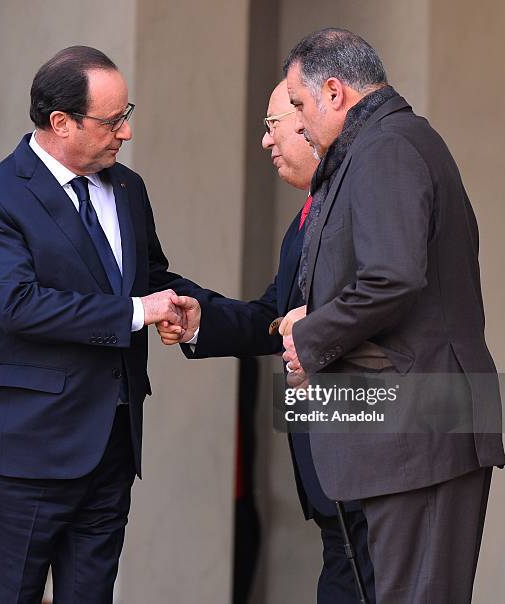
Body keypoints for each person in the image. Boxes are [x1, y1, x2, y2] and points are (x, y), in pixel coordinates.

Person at [0, 46, 209, 603]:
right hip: (26, 451)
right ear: (60, 122)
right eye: (112, 120)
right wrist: (135, 313)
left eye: (127, 115)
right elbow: (18, 304)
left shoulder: (129, 188)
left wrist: (235, 318)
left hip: (112, 445)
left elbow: (152, 277)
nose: (125, 133)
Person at [275, 28, 505, 602]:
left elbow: (392, 277)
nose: (297, 124)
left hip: (420, 429)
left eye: (299, 106)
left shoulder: (388, 147)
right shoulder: (383, 143)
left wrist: (311, 334)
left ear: (334, 92)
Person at [157, 80, 375, 603]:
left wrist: (312, 323)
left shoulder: (359, 200)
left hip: (372, 454)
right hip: (330, 475)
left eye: (273, 124)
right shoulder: (306, 218)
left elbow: (385, 299)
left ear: (310, 120)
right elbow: (270, 317)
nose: (266, 141)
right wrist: (199, 322)